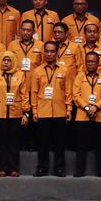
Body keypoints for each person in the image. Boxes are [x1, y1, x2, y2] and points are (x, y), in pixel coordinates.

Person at [69, 51, 101, 177]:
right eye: (88, 61)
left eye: (93, 61)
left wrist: (96, 106)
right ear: (85, 63)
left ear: (98, 63)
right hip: (82, 116)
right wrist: (87, 107)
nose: (90, 63)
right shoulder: (79, 77)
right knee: (81, 145)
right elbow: (75, 95)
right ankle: (79, 170)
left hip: (100, 116)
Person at [30, 40, 68, 177]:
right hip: (43, 111)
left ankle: (60, 168)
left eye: (52, 51)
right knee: (43, 143)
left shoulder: (64, 70)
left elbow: (68, 92)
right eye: (47, 51)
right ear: (43, 52)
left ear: (57, 53)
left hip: (59, 111)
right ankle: (42, 168)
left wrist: (68, 110)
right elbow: (34, 92)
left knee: (59, 143)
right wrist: (34, 111)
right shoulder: (37, 71)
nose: (49, 54)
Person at [0, 50, 27, 177]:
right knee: (1, 142)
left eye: (8, 60)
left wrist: (26, 113)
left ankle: (14, 168)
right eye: (4, 60)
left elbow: (24, 94)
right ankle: (1, 168)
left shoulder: (20, 74)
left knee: (14, 143)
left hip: (16, 113)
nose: (5, 62)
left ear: (13, 62)